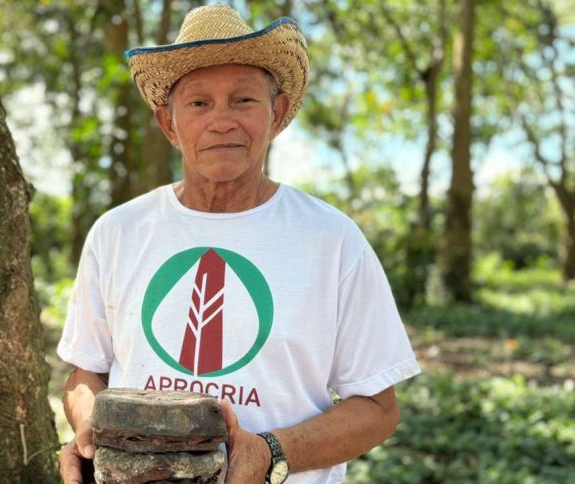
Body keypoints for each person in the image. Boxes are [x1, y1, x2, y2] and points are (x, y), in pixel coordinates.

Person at [57, 4, 421, 483]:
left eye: (244, 100)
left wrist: (270, 452)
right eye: (199, 103)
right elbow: (85, 375)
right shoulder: (118, 232)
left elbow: (378, 409)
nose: (222, 120)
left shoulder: (331, 240)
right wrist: (90, 429)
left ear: (279, 112)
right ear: (169, 124)